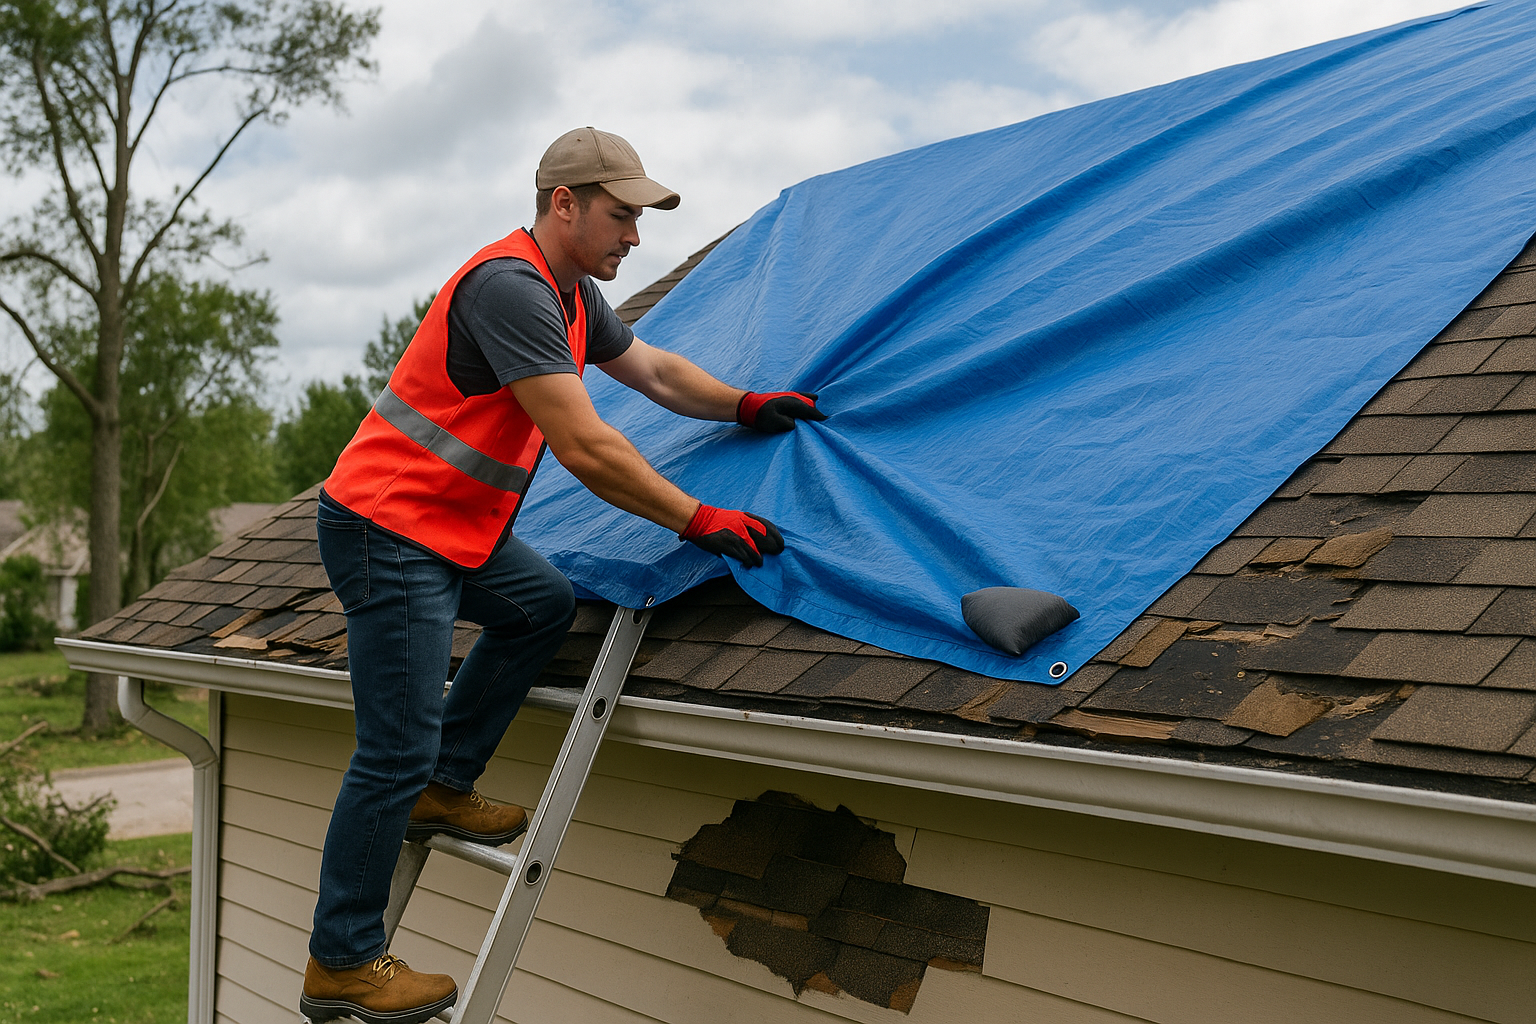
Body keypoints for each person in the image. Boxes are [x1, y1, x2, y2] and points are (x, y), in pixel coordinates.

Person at [297, 127, 825, 1024]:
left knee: (539, 605)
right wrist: (698, 519)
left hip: (450, 526)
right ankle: (341, 959)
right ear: (565, 204)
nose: (635, 236)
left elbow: (654, 371)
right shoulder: (511, 288)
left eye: (639, 220)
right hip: (389, 529)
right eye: (621, 216)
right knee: (392, 749)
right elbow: (584, 445)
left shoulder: (574, 295)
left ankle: (442, 785)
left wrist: (741, 405)